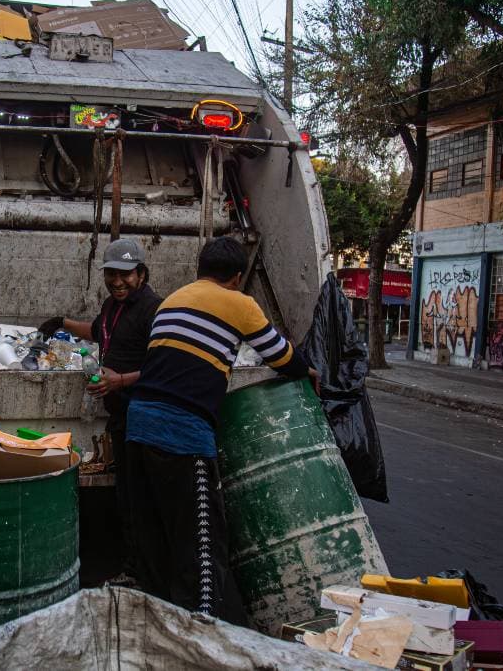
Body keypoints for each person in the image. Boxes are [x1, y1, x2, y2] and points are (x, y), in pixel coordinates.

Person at [125, 236, 315, 626]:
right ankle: (204, 631)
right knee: (202, 546)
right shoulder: (239, 304)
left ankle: (161, 623)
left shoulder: (172, 300)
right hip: (181, 434)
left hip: (138, 426)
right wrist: (309, 371)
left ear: (200, 270)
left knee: (157, 538)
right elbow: (281, 357)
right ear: (237, 277)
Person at [38, 237, 163, 584]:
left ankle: (145, 574)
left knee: (139, 498)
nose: (118, 281)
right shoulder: (112, 306)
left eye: (125, 274)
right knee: (125, 495)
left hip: (144, 416)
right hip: (121, 417)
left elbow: (162, 365)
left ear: (141, 274)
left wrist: (120, 381)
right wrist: (62, 322)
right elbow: (98, 331)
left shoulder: (154, 310)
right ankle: (135, 569)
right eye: (111, 274)